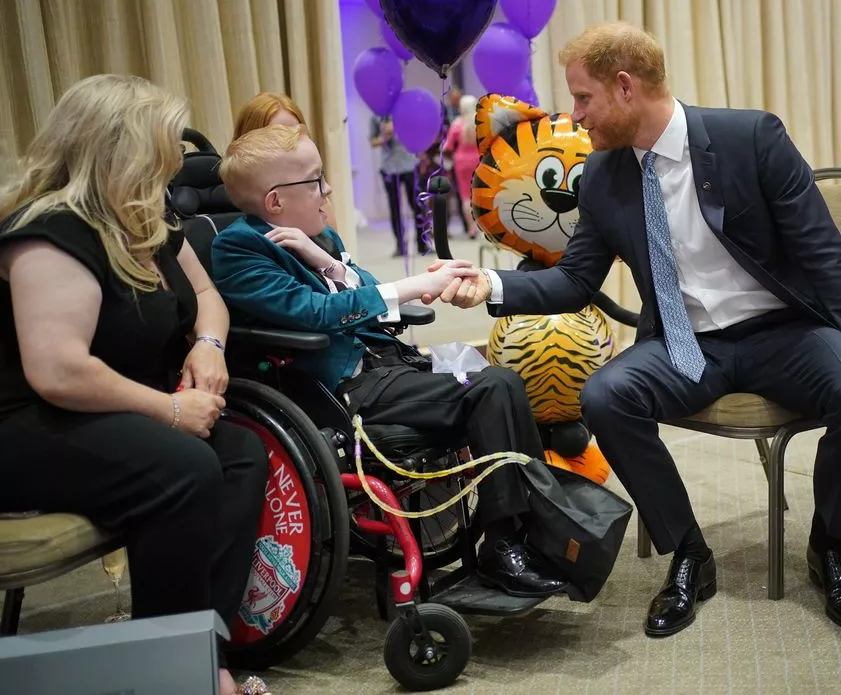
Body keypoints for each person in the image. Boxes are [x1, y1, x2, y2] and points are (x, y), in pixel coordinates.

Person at [434, 21, 841, 638]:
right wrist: (490, 285)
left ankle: (830, 546)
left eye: (583, 98)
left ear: (625, 88)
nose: (575, 117)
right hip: (687, 346)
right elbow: (575, 280)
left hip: (782, 334)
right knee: (603, 396)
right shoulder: (601, 176)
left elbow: (826, 261)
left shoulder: (751, 139)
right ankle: (688, 553)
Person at [209, 124, 568, 598]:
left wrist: (331, 263)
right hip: (341, 391)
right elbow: (314, 314)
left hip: (386, 367)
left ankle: (529, 534)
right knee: (494, 387)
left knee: (500, 384)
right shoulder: (239, 249)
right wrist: (414, 285)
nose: (328, 189)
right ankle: (505, 547)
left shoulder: (314, 235)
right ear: (275, 201)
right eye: (315, 180)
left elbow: (359, 286)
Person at [0, 74, 268, 695]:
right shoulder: (50, 232)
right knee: (181, 465)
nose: (174, 159)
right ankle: (174, 675)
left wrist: (208, 343)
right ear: (118, 151)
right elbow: (58, 370)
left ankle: (201, 652)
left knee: (239, 454)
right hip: (24, 423)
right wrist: (170, 409)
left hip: (99, 414)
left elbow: (205, 294)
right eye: (161, 146)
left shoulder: (144, 220)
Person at [233, 91, 340, 233]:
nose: (291, 141)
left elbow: (338, 252)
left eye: (296, 133)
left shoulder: (318, 199)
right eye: (277, 135)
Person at [371, 115, 426, 256]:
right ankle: (400, 245)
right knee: (395, 209)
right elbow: (373, 142)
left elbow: (417, 135)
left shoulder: (405, 111)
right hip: (389, 168)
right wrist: (386, 136)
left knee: (418, 206)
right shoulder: (376, 116)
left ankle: (422, 244)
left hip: (409, 165)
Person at [442, 94, 481, 239]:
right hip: (479, 159)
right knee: (481, 193)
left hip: (461, 161)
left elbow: (448, 147)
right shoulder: (480, 122)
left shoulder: (457, 123)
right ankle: (484, 226)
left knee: (466, 196)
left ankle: (471, 228)